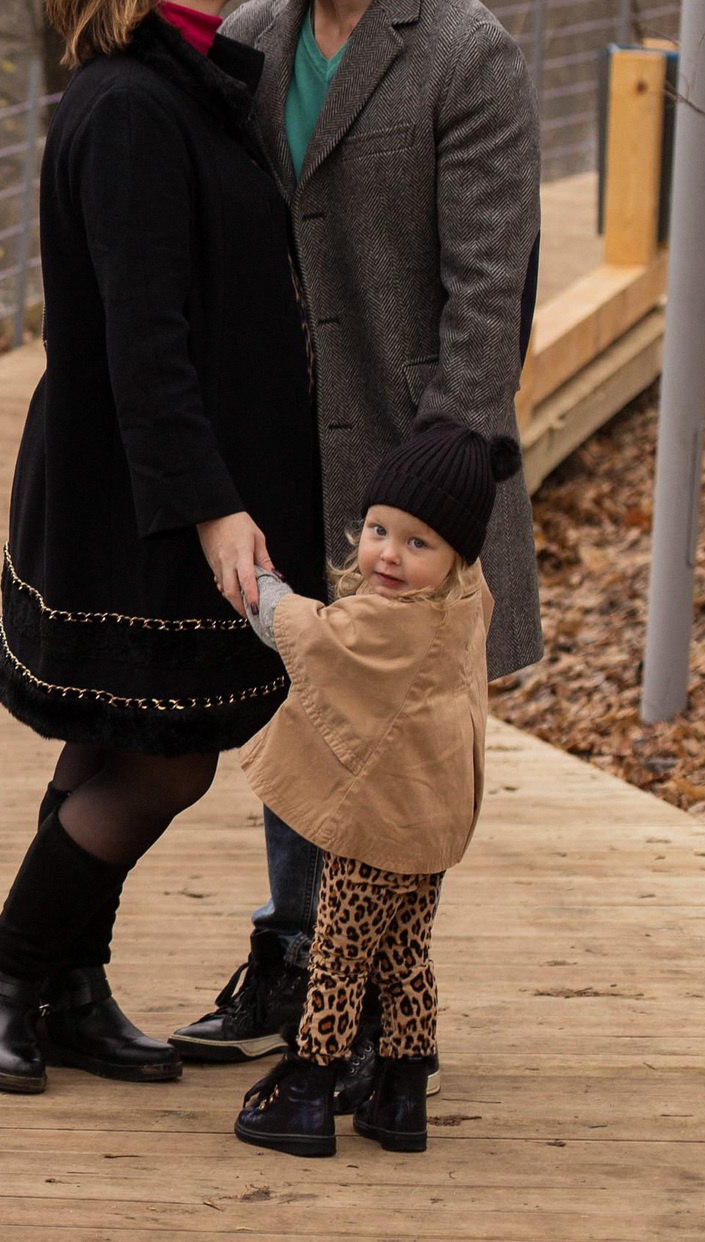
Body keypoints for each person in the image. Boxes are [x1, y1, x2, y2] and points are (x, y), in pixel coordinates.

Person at [169, 0, 541, 1102]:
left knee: (396, 740)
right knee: (305, 708)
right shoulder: (251, 34)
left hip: (410, 466)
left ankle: (378, 1005)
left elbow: (489, 294)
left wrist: (433, 497)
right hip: (279, 447)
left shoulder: (467, 51)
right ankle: (291, 963)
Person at [0, 0, 324, 1095]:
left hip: (165, 473)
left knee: (116, 737)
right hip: (132, 491)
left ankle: (67, 988)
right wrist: (213, 508)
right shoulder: (125, 108)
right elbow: (140, 336)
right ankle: (1, 981)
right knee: (164, 754)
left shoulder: (189, 86)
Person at [229, 422, 510, 1157]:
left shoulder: (390, 623)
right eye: (379, 530)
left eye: (418, 544)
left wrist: (257, 585)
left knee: (340, 956)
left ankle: (308, 1091)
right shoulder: (465, 603)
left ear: (456, 557)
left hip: (378, 830)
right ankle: (402, 1092)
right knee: (405, 959)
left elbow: (307, 633)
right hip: (431, 827)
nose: (388, 555)